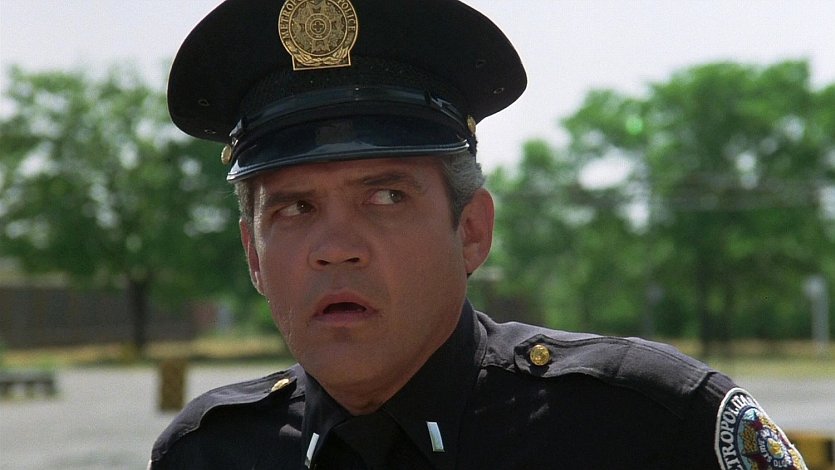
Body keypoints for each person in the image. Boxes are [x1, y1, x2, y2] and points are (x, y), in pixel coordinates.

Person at [150, 0, 807, 468]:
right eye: (295, 209)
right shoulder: (207, 453)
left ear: (471, 230)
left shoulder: (650, 428)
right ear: (253, 255)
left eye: (385, 197)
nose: (336, 247)